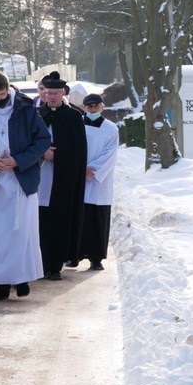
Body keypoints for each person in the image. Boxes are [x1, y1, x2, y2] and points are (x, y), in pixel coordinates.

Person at [0, 71, 51, 301]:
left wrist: (18, 160)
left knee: (20, 231)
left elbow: (42, 140)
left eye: (2, 94)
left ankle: (21, 277)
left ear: (9, 90)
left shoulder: (25, 108)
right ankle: (0, 284)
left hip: (20, 179)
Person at [37, 72, 88, 280]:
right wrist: (43, 152)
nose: (52, 97)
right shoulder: (37, 114)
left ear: (63, 93)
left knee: (60, 220)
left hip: (63, 177)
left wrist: (58, 155)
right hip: (41, 176)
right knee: (41, 220)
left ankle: (56, 264)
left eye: (56, 93)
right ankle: (41, 263)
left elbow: (79, 150)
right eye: (48, 93)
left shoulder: (73, 116)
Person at [78, 93, 118, 271]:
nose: (92, 109)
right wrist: (78, 168)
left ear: (102, 107)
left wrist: (93, 169)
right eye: (89, 106)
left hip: (99, 181)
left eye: (96, 106)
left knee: (97, 219)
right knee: (79, 218)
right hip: (78, 177)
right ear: (84, 108)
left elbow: (110, 154)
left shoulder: (111, 129)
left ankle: (96, 258)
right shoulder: (77, 124)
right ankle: (74, 255)